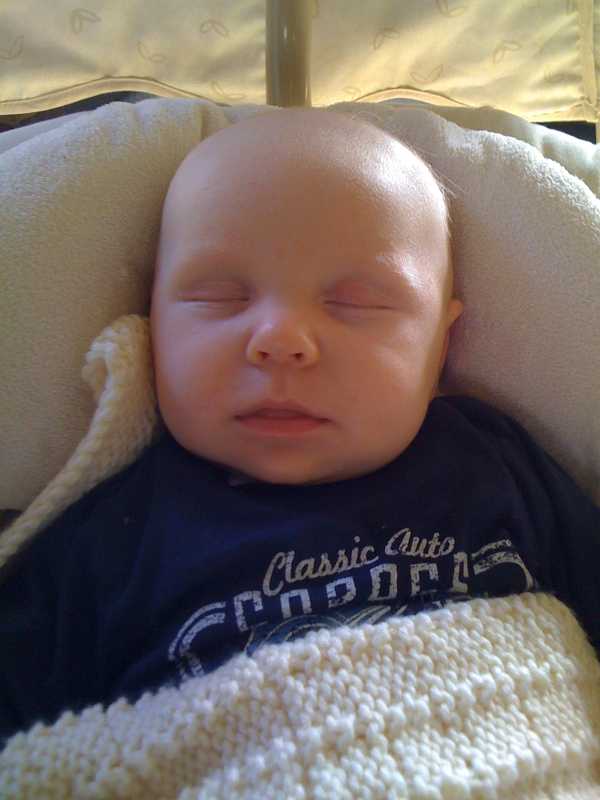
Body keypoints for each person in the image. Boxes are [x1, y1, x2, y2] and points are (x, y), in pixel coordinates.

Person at [1, 108, 598, 744]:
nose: (281, 339)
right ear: (153, 322)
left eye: (357, 302)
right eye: (219, 296)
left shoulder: (492, 465)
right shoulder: (113, 541)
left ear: (440, 346)